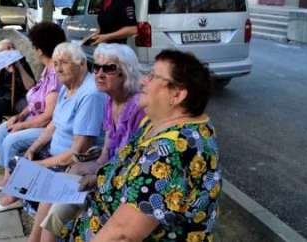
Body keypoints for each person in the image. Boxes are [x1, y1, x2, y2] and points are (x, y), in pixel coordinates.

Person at [63, 49, 221, 242]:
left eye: (153, 76)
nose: (143, 80)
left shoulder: (170, 151)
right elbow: (129, 166)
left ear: (177, 95)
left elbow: (123, 234)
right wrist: (99, 178)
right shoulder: (157, 123)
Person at [31, 43, 146, 242]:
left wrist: (94, 174)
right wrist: (84, 164)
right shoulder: (110, 101)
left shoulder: (137, 108)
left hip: (124, 184)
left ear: (126, 73)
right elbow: (104, 156)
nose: (99, 74)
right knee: (55, 204)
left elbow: (133, 164)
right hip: (108, 173)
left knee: (60, 203)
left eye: (108, 68)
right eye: (97, 67)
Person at [0, 43, 106, 213]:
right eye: (55, 64)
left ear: (82, 64)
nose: (58, 69)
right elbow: (53, 124)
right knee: (22, 156)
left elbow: (78, 152)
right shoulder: (67, 87)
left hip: (74, 163)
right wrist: (34, 148)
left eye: (64, 62)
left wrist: (39, 164)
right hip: (57, 153)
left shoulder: (90, 95)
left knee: (26, 165)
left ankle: (15, 198)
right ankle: (17, 196)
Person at [0, 23, 65, 209]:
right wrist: (19, 116)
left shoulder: (54, 73)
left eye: (34, 46)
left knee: (12, 139)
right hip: (32, 115)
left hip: (48, 125)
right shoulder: (46, 69)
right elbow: (35, 98)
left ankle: (14, 196)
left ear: (39, 49)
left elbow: (47, 116)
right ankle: (6, 179)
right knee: (4, 127)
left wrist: (22, 126)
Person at [0, 38, 35, 137]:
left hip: (19, 98)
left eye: (13, 47)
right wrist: (1, 64)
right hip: (0, 98)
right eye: (7, 48)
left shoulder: (22, 63)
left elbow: (30, 86)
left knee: (29, 107)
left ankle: (25, 133)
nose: (11, 50)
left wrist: (19, 66)